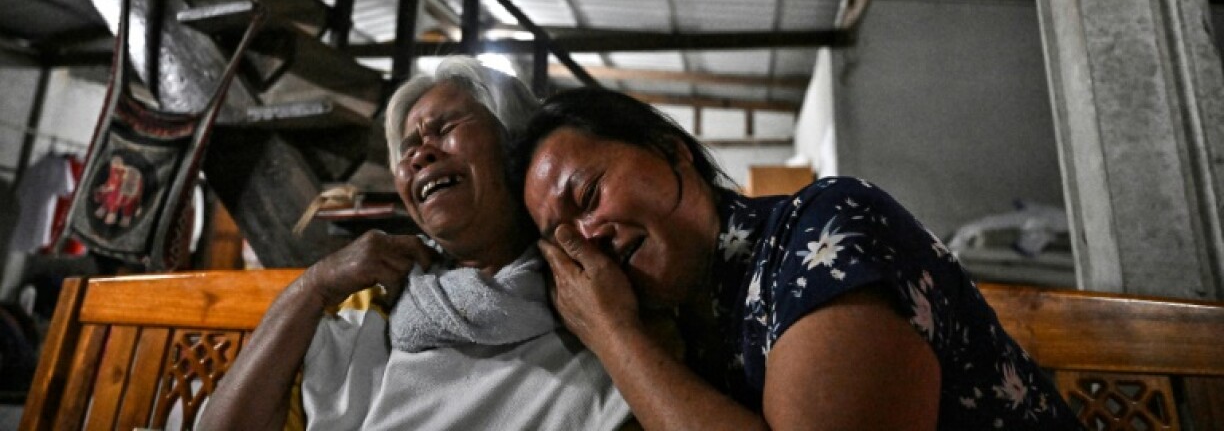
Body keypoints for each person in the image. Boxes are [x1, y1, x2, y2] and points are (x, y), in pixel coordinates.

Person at [511, 88, 1082, 430]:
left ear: (671, 150)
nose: (589, 236)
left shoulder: (825, 227)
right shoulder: (689, 322)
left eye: (587, 196)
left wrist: (612, 336)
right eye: (564, 239)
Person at [199, 58, 631, 431]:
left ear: (515, 144)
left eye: (444, 130)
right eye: (407, 150)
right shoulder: (373, 302)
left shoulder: (593, 297)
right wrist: (313, 285)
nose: (419, 155)